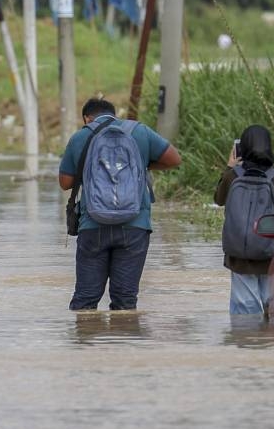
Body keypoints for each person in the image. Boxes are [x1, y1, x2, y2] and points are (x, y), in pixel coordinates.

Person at [58, 97, 181, 310]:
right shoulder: (140, 132)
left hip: (93, 225)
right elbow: (174, 159)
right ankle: (123, 340)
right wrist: (141, 166)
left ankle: (86, 340)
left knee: (85, 299)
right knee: (125, 301)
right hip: (135, 226)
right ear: (114, 114)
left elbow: (65, 182)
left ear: (87, 118)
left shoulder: (81, 137)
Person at [213, 124, 274, 319]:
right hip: (268, 253)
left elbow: (218, 199)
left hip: (239, 255)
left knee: (244, 311)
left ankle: (246, 344)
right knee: (270, 305)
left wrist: (229, 167)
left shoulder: (233, 176)